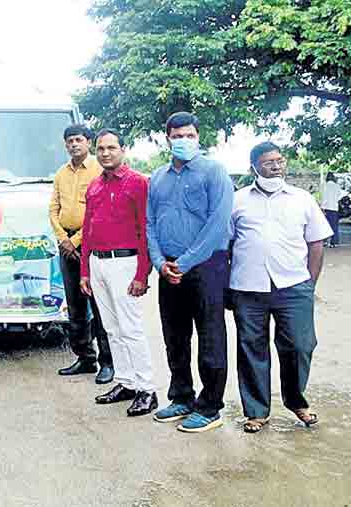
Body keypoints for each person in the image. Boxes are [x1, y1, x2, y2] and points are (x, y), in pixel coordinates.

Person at [229, 142, 332, 433]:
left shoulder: (302, 199)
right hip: (248, 288)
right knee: (251, 348)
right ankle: (256, 411)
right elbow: (226, 244)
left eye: (279, 160)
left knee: (300, 346)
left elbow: (316, 242)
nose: (276, 166)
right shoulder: (237, 200)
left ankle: (297, 401)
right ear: (254, 168)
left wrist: (309, 283)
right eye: (268, 162)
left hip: (293, 287)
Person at [146, 112, 234, 433]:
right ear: (167, 138)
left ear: (198, 137)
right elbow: (150, 223)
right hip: (168, 268)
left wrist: (184, 263)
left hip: (205, 266)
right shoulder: (158, 177)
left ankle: (210, 405)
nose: (183, 140)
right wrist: (160, 262)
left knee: (210, 336)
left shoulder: (214, 172)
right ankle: (181, 396)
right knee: (175, 335)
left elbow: (217, 224)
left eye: (189, 135)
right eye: (177, 135)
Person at [79, 129, 156, 417]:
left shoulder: (138, 183)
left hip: (125, 263)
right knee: (111, 328)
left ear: (123, 150)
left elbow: (145, 230)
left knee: (131, 327)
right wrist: (85, 271)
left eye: (111, 147)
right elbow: (87, 230)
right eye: (100, 148)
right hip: (98, 264)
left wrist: (142, 274)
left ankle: (146, 388)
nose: (105, 153)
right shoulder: (95, 186)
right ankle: (126, 382)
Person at [48, 124, 113, 383]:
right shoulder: (61, 174)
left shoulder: (100, 169)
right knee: (75, 306)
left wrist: (75, 241)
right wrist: (64, 240)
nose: (74, 144)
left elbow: (99, 211)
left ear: (88, 142)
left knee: (99, 306)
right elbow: (53, 209)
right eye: (69, 141)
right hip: (66, 245)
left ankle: (108, 363)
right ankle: (85, 357)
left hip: (93, 243)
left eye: (78, 140)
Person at [321, 172, 341, 248]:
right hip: (335, 208)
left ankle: (325, 242)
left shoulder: (324, 186)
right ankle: (334, 242)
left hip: (326, 208)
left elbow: (324, 197)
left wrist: (322, 207)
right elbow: (339, 196)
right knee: (334, 226)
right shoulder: (337, 186)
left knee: (324, 225)